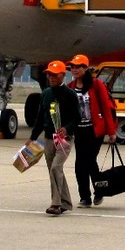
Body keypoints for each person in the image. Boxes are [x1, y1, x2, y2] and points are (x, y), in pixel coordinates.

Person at [28, 60, 79, 215]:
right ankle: (66, 202)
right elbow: (39, 119)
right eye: (49, 74)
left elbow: (77, 118)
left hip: (65, 139)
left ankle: (56, 204)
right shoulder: (46, 94)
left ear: (63, 75)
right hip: (49, 139)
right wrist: (33, 138)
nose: (51, 77)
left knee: (56, 168)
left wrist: (67, 128)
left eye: (55, 75)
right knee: (54, 170)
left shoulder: (70, 95)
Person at [66, 54, 117, 208]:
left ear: (85, 68)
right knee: (79, 164)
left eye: (78, 66)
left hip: (95, 131)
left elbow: (107, 109)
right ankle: (85, 197)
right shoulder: (70, 87)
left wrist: (111, 131)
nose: (74, 69)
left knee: (89, 161)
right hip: (79, 131)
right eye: (72, 67)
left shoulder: (96, 85)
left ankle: (99, 190)